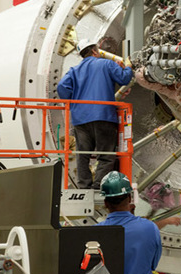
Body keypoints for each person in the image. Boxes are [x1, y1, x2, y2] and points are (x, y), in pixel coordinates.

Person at [57, 39, 133, 189]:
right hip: (103, 115)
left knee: (83, 154)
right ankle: (98, 186)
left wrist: (75, 101)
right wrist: (129, 66)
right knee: (105, 155)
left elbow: (62, 87)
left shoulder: (74, 70)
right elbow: (124, 78)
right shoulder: (105, 64)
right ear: (94, 51)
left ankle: (84, 186)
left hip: (80, 118)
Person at [96, 171, 162, 274]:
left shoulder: (94, 233)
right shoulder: (150, 228)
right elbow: (153, 264)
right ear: (130, 199)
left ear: (105, 203)